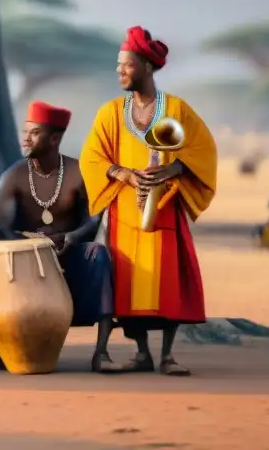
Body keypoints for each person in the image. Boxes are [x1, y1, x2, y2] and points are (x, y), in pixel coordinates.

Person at [79, 26, 217, 376]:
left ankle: (168, 355)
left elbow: (203, 149)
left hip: (164, 209)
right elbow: (91, 158)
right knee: (124, 284)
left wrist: (173, 170)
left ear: (145, 66)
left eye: (125, 64)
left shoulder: (176, 109)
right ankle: (141, 352)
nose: (119, 71)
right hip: (123, 213)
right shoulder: (110, 113)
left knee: (167, 279)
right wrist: (121, 174)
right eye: (118, 65)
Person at [0, 101, 120, 373]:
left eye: (34, 133)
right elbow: (2, 229)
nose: (26, 138)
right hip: (26, 259)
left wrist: (71, 238)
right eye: (25, 132)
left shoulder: (79, 172)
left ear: (54, 138)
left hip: (70, 254)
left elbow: (94, 220)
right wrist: (33, 248)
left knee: (98, 254)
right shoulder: (12, 177)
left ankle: (102, 352)